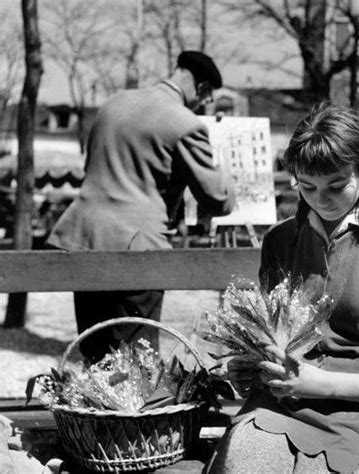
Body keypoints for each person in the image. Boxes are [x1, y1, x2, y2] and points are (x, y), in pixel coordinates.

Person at [207, 103, 359, 473]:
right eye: (307, 187)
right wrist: (250, 367)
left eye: (337, 185)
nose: (321, 199)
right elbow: (270, 340)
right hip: (286, 407)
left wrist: (320, 384)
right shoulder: (280, 241)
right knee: (245, 461)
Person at [47, 51, 235, 361]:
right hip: (137, 247)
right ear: (201, 88)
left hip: (84, 240)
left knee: (96, 349)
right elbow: (217, 199)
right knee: (138, 355)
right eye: (207, 98)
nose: (204, 105)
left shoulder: (113, 104)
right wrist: (228, 175)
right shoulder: (184, 122)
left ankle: (93, 409)